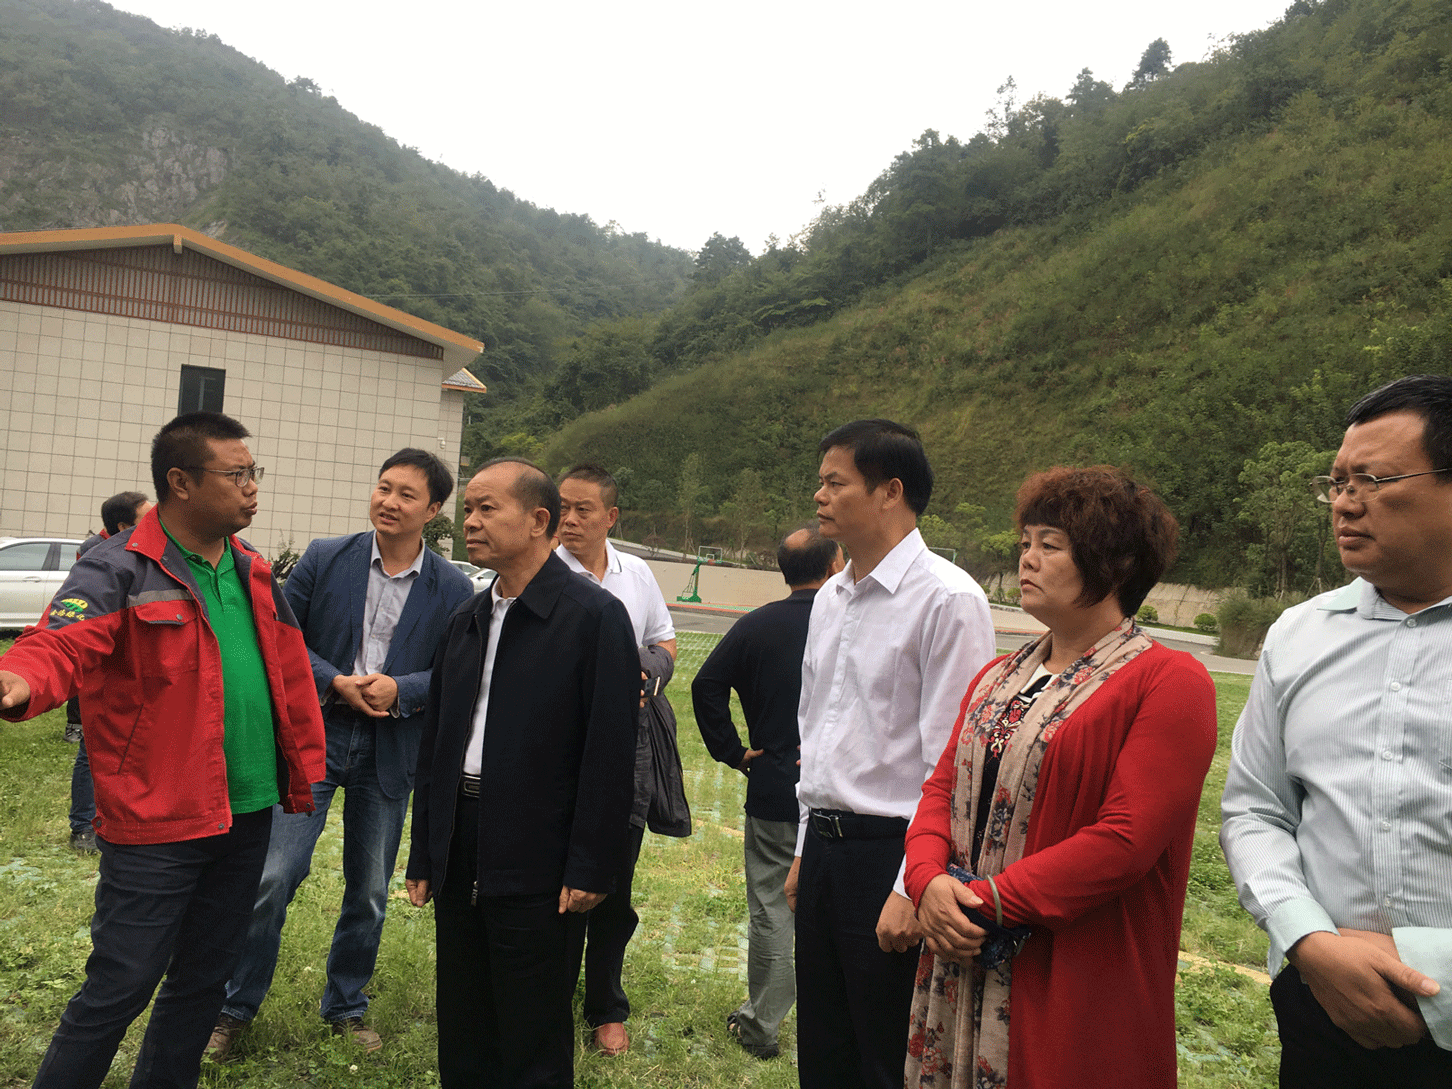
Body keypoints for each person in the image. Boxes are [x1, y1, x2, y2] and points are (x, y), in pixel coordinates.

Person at [0, 411, 325, 1089]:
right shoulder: (118, 567)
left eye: (254, 472)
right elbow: (59, 640)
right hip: (159, 819)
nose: (252, 487)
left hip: (247, 810)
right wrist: (20, 678)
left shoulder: (252, 569)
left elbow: (287, 670)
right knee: (120, 985)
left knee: (203, 981)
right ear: (180, 481)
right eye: (237, 474)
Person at [903, 465, 1217, 1088]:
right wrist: (927, 880)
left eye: (1051, 545)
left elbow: (1126, 838)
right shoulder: (997, 677)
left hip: (1072, 968)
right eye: (1026, 543)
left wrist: (988, 901)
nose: (1028, 558)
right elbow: (941, 787)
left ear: (1115, 565)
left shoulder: (1169, 682)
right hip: (960, 947)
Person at [1221, 374, 1452, 1087]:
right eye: (1337, 483)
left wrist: (1434, 973)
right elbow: (1255, 808)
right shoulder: (1299, 635)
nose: (1345, 502)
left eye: (1373, 480)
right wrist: (1310, 941)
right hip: (1321, 1008)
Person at [208, 449, 473, 1058]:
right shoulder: (327, 557)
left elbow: (457, 671)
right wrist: (334, 680)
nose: (389, 502)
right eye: (384, 487)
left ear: (433, 510)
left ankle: (347, 1006)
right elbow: (280, 635)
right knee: (273, 875)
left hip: (391, 745)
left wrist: (401, 689)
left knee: (370, 889)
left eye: (407, 495)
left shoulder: (453, 587)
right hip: (316, 735)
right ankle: (232, 1008)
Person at [404, 458, 640, 1089]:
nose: (470, 521)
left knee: (532, 1022)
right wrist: (426, 850)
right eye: (468, 508)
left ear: (539, 521)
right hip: (462, 833)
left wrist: (591, 866)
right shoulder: (468, 617)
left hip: (540, 843)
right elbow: (437, 743)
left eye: (487, 508)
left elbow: (610, 752)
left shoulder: (593, 617)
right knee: (462, 1011)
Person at [786, 419, 995, 1089]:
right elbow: (816, 733)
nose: (819, 495)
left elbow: (953, 763)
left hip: (892, 853)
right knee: (823, 1047)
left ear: (889, 492)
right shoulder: (831, 597)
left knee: (885, 1055)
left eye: (835, 482)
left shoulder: (948, 599)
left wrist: (912, 885)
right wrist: (803, 848)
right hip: (825, 849)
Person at [553, 462, 690, 1056]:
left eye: (583, 509)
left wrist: (646, 673)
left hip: (624, 746)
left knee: (614, 880)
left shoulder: (636, 572)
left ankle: (606, 1007)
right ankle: (549, 999)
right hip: (556, 748)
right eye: (562, 507)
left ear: (610, 517)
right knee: (554, 881)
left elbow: (665, 640)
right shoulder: (541, 570)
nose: (569, 519)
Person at [692, 525, 843, 1059]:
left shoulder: (756, 625)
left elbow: (706, 685)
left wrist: (733, 751)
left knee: (775, 907)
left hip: (777, 787)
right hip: (848, 793)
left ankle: (762, 1026)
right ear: (834, 566)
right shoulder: (850, 622)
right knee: (841, 911)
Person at [65, 491, 152, 853]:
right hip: (104, 667)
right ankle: (83, 827)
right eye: (146, 517)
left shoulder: (148, 551)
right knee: (92, 748)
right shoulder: (98, 554)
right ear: (123, 526)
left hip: (138, 670)